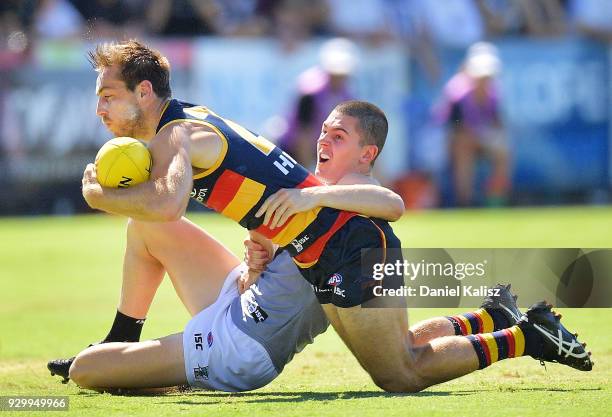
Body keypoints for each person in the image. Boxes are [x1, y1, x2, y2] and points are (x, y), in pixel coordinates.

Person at [55, 40, 591, 393]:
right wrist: (263, 239)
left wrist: (100, 195)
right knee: (399, 353)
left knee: (399, 374)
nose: (100, 108)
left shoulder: (177, 133)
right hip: (308, 264)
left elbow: (168, 203)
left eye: (108, 95)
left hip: (344, 254)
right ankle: (490, 317)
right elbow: (255, 194)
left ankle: (527, 336)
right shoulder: (193, 121)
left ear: (144, 93)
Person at [436, 42, 510, 206]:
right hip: (447, 141)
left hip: (477, 138)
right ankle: (465, 201)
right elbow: (455, 129)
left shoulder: (494, 92)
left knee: (503, 151)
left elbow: (497, 123)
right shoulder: (457, 93)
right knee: (464, 148)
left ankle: (495, 201)